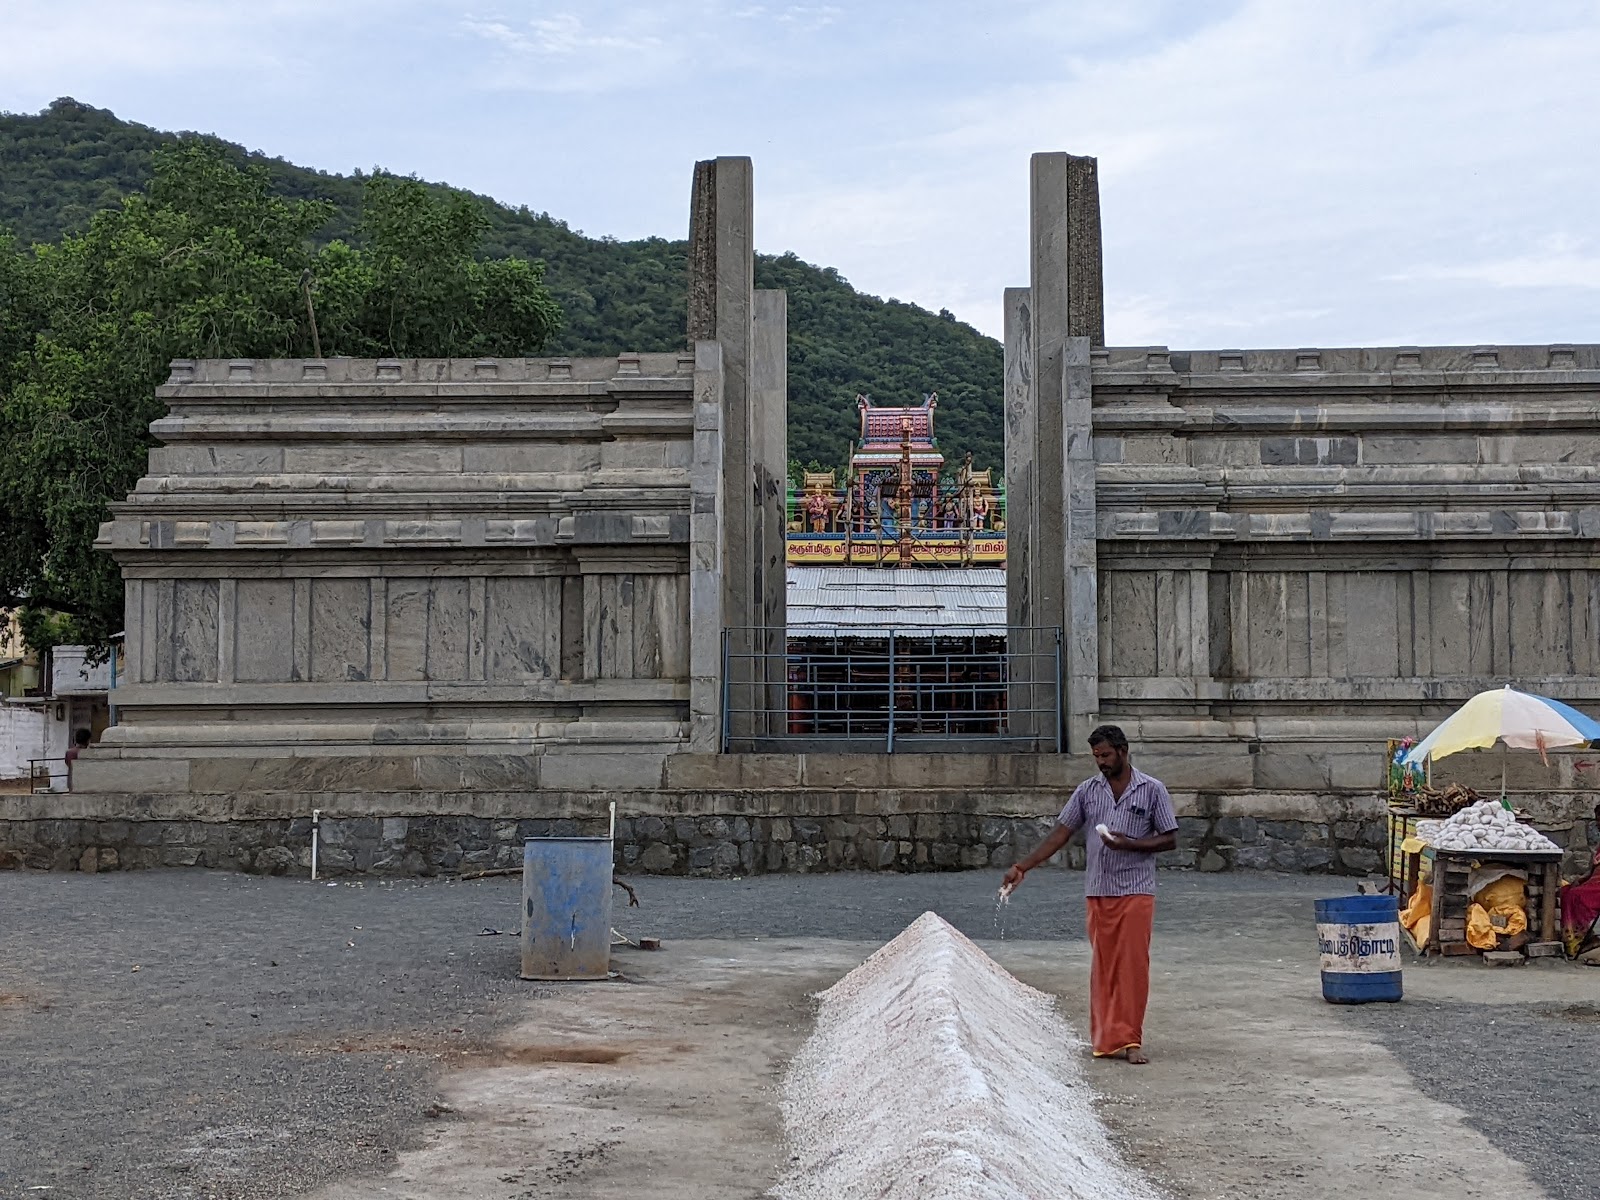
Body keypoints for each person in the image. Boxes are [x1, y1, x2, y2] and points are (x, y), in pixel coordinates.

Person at [1001, 724, 1178, 1064]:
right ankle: (1106, 1039)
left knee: (1132, 966)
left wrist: (1131, 844)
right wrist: (1023, 866)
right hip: (1098, 890)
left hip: (1136, 889)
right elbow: (1060, 833)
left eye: (1106, 755)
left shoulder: (1152, 790)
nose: (1101, 762)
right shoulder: (1087, 791)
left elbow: (1170, 838)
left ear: (1123, 751)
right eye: (1096, 756)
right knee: (1104, 968)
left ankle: (1131, 1040)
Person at [1561, 803, 1600, 961]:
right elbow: (1592, 869)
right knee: (1565, 891)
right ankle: (1574, 939)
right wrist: (1582, 879)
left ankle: (1582, 938)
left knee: (1577, 896)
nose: (1598, 824)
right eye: (1597, 820)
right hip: (1594, 881)